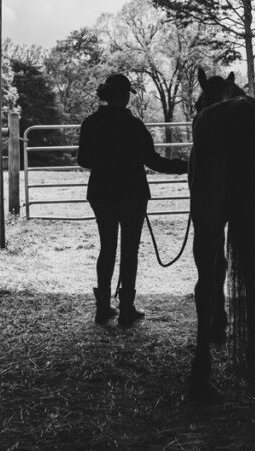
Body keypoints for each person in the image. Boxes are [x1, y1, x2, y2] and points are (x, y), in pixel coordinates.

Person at [77, 73, 187, 325]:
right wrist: (185, 166)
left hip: (102, 194)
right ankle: (126, 308)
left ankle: (103, 307)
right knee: (129, 250)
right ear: (125, 95)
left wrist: (106, 163)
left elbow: (83, 160)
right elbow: (154, 161)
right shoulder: (134, 125)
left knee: (107, 247)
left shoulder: (91, 123)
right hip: (132, 194)